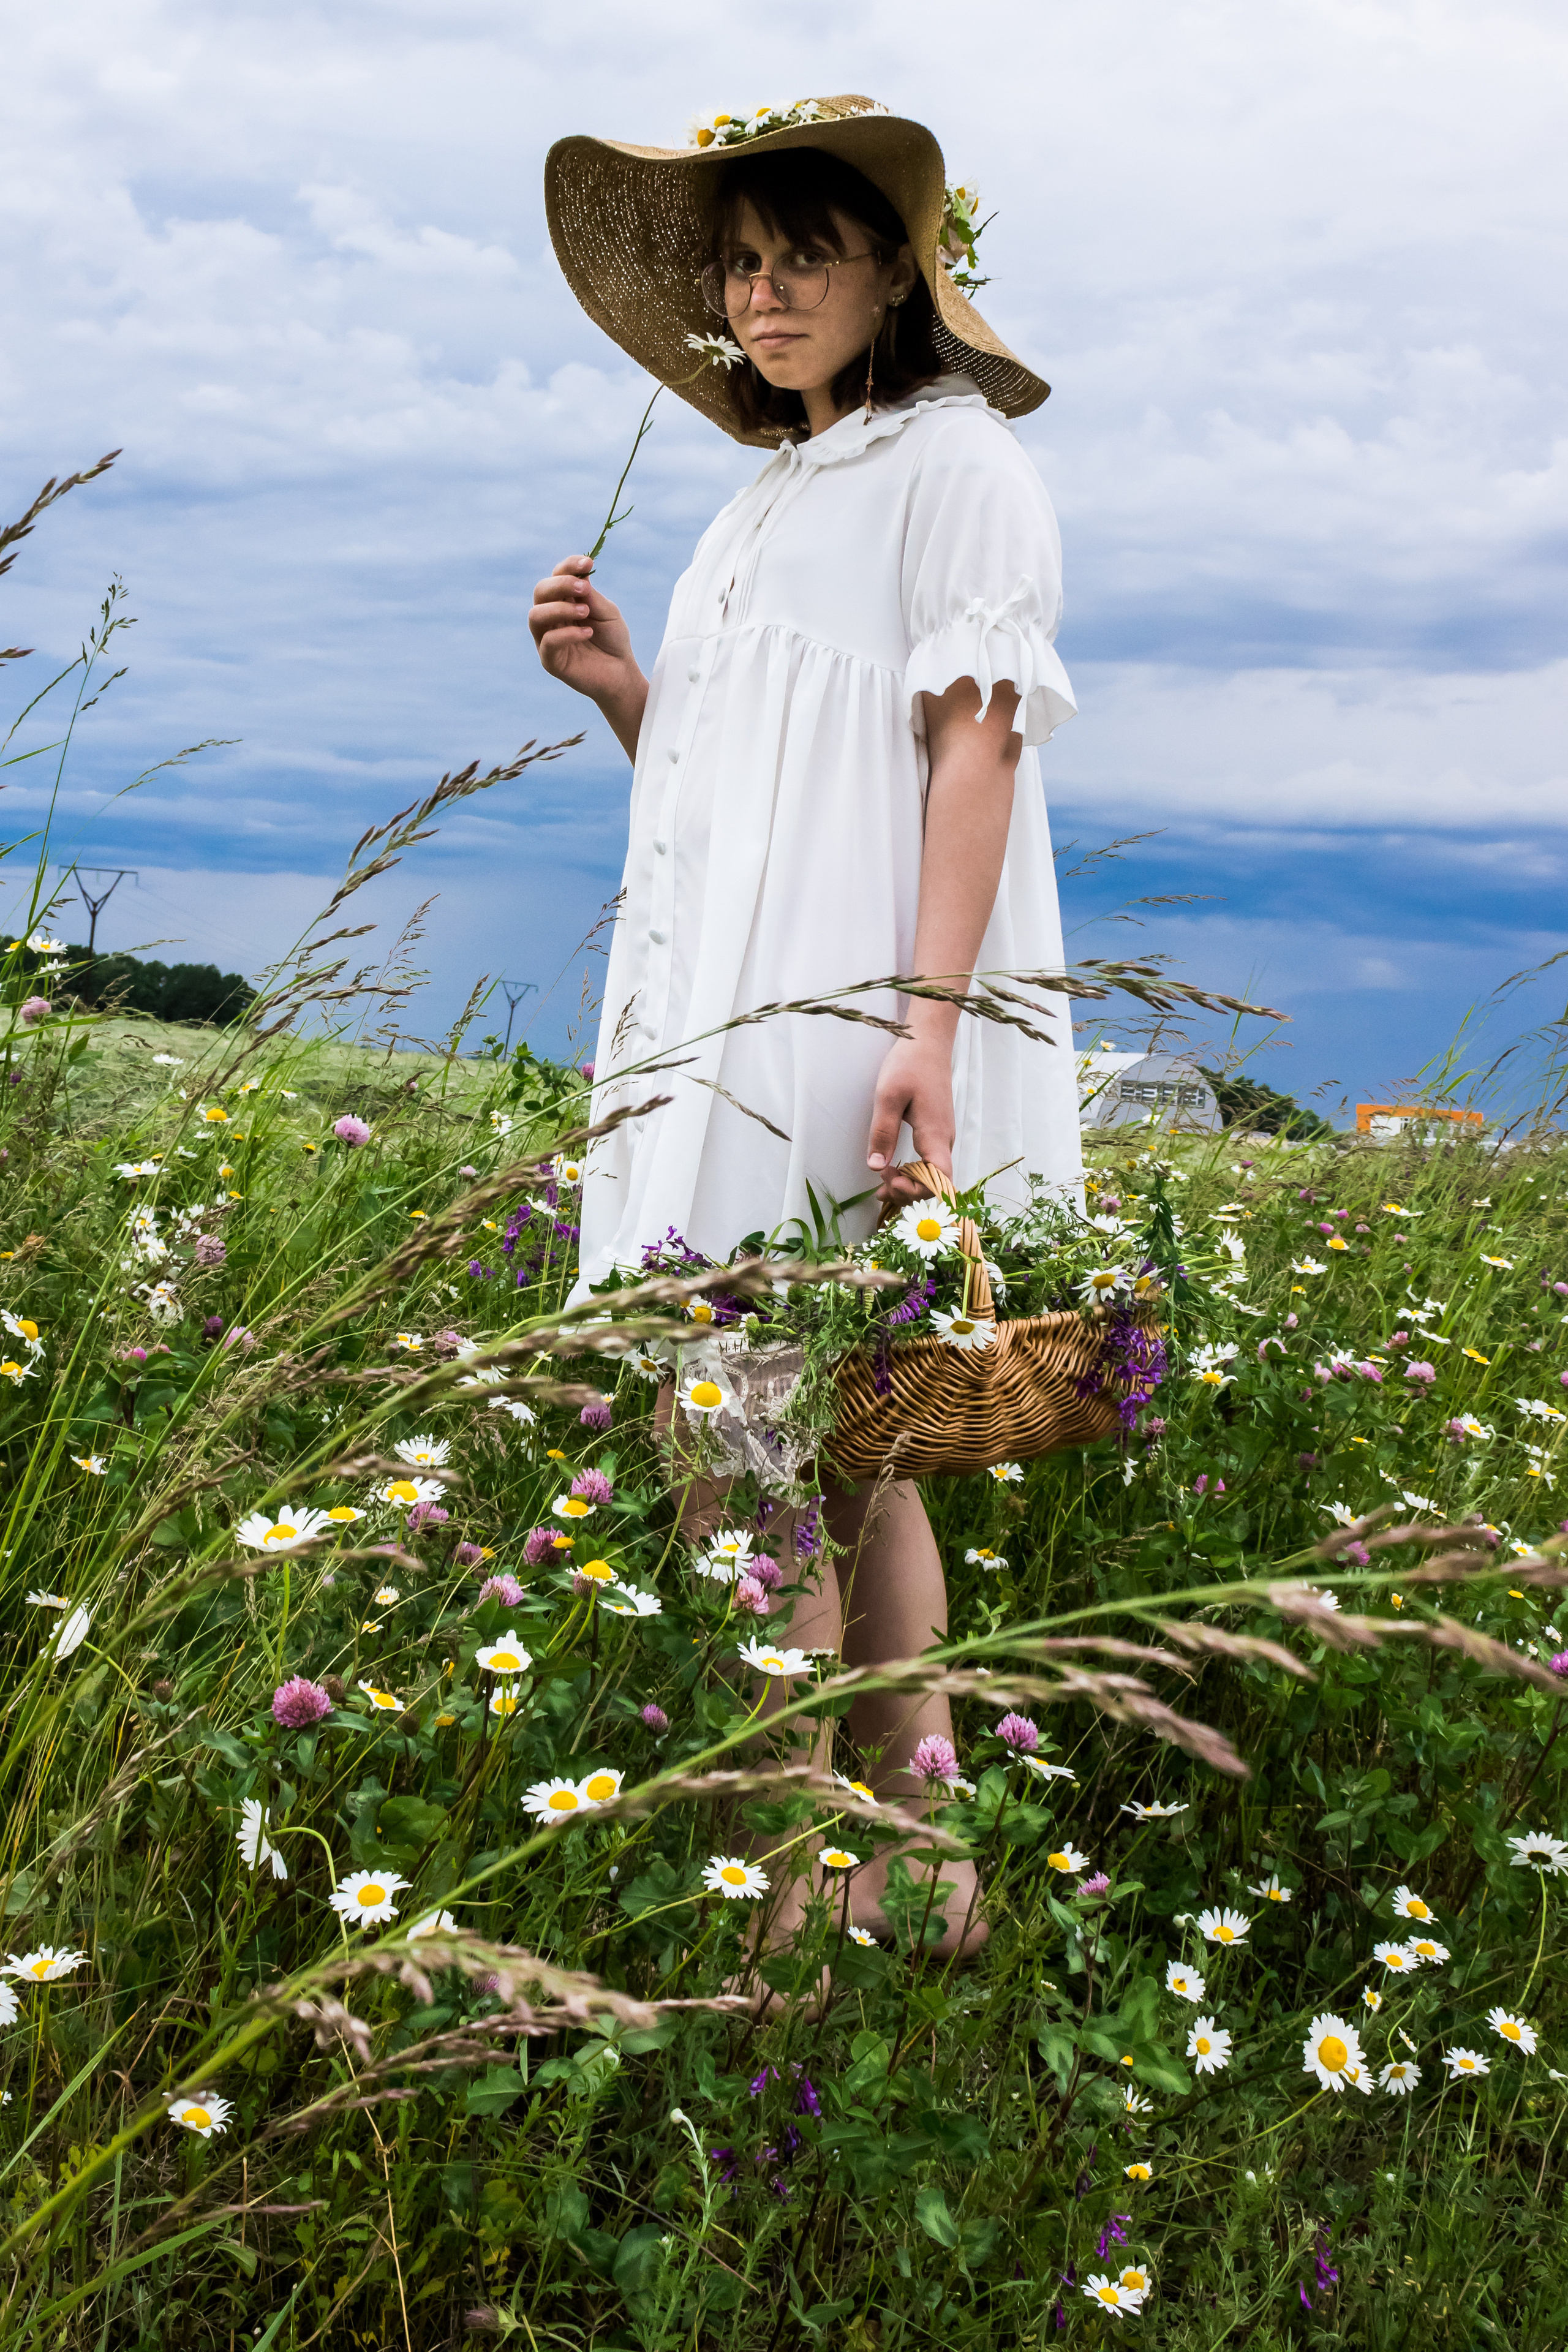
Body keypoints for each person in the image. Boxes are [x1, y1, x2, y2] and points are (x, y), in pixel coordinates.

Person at [533, 97, 1083, 1953]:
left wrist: (927, 1024)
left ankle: (789, 1873)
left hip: (842, 1013)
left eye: (803, 260)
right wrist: (632, 693)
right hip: (714, 1000)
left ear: (895, 278)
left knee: (742, 1425)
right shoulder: (766, 492)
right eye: (741, 268)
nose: (760, 296)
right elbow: (734, 791)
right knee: (832, 1430)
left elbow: (974, 743)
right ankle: (923, 1868)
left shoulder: (955, 464)